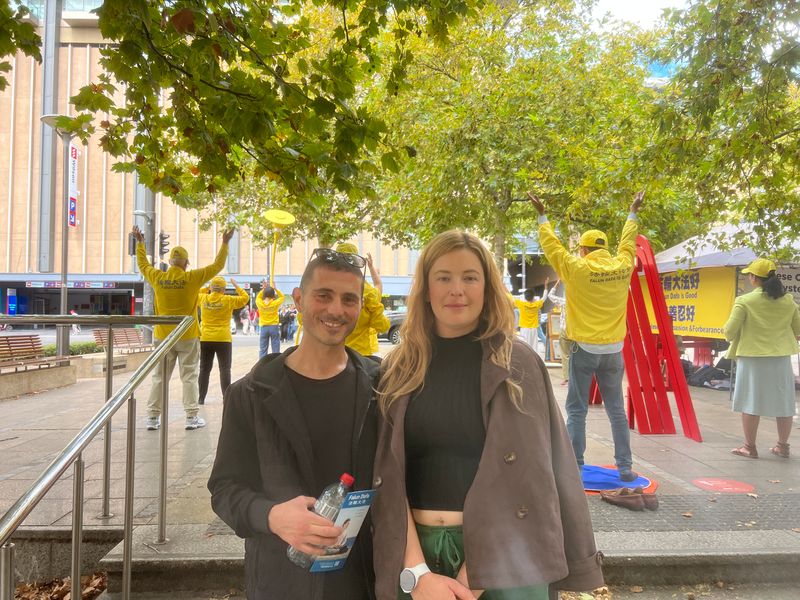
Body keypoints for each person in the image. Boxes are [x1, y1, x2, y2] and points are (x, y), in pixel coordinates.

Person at [372, 230, 603, 600]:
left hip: (508, 557)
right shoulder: (399, 368)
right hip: (415, 559)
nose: (457, 290)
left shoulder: (517, 363)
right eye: (443, 278)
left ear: (487, 287)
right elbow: (386, 474)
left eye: (469, 277)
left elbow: (532, 477)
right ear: (426, 289)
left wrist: (470, 582)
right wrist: (416, 572)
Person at [208, 247, 380, 600]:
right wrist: (272, 516)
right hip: (282, 581)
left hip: (366, 581)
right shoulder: (250, 394)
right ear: (299, 300)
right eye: (324, 296)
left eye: (349, 299)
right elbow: (225, 489)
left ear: (361, 306)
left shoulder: (380, 388)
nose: (336, 310)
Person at [529, 190, 644, 482]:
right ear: (604, 249)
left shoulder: (576, 268)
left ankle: (576, 467)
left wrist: (542, 216)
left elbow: (552, 246)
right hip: (613, 350)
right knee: (617, 411)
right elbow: (628, 243)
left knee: (577, 410)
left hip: (583, 349)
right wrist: (632, 212)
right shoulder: (623, 266)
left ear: (583, 250)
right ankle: (625, 467)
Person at [132, 225, 234, 431]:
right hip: (187, 335)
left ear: (170, 262)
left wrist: (140, 243)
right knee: (189, 376)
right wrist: (225, 243)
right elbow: (217, 266)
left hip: (163, 336)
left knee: (159, 377)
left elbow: (142, 264)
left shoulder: (158, 277)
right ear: (186, 264)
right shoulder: (192, 278)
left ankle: (152, 417)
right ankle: (191, 417)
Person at [724, 258, 800, 459]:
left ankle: (749, 447)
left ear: (753, 278)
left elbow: (729, 332)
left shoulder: (744, 301)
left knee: (751, 401)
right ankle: (782, 446)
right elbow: (798, 329)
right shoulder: (788, 300)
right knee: (784, 403)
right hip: (780, 357)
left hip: (752, 358)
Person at [197, 277, 249, 405]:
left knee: (204, 369)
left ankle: (201, 398)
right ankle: (226, 397)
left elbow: (194, 293)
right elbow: (245, 298)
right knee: (225, 369)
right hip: (223, 339)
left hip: (205, 338)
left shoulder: (203, 298)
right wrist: (236, 285)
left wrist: (208, 288)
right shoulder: (228, 300)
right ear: (223, 290)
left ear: (211, 288)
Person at [336, 243, 390, 359]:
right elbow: (382, 326)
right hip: (359, 357)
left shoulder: (324, 285)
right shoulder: (368, 292)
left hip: (329, 357)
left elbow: (302, 319)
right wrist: (371, 267)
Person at [545, 279, 571, 386]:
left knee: (565, 355)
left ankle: (567, 379)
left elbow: (550, 296)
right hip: (577, 331)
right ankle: (576, 378)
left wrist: (557, 283)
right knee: (577, 356)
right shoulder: (579, 303)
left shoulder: (564, 302)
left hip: (565, 330)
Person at [510, 282, 547, 353]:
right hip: (534, 329)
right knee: (534, 348)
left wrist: (504, 288)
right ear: (533, 297)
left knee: (524, 347)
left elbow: (511, 298)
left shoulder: (521, 304)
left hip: (524, 329)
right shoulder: (537, 305)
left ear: (525, 297)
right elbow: (544, 298)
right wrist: (546, 287)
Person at [256, 281, 284, 358]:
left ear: (264, 295)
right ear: (273, 295)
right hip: (274, 327)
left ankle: (262, 363)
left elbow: (258, 297)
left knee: (263, 349)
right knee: (275, 348)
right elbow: (282, 297)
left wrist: (263, 289)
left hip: (264, 327)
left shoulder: (260, 303)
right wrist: (275, 289)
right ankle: (275, 362)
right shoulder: (275, 303)